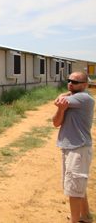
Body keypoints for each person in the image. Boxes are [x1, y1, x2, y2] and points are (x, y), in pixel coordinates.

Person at [53, 71, 94, 223]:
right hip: (70, 147)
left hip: (79, 148)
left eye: (75, 82)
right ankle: (85, 215)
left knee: (74, 190)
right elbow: (56, 122)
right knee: (77, 184)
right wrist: (61, 109)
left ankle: (75, 220)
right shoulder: (71, 99)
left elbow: (57, 100)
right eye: (69, 80)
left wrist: (63, 100)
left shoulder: (83, 98)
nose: (70, 83)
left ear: (85, 85)